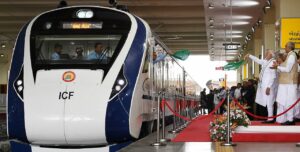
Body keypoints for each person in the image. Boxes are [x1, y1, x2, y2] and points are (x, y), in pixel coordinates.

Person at [244, 50, 277, 123]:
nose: (265, 55)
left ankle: (270, 118)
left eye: (267, 54)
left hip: (269, 87)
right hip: (264, 86)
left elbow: (273, 76)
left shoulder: (272, 62)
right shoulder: (266, 62)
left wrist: (269, 87)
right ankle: (269, 118)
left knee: (269, 102)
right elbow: (258, 60)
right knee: (266, 103)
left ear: (271, 55)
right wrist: (249, 55)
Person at [272, 42, 298, 125]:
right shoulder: (289, 56)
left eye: (285, 46)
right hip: (285, 83)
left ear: (289, 47)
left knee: (289, 101)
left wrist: (277, 67)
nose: (284, 48)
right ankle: (285, 119)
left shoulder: (292, 56)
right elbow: (284, 68)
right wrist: (278, 66)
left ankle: (290, 119)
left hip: (290, 83)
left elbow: (288, 69)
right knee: (283, 101)